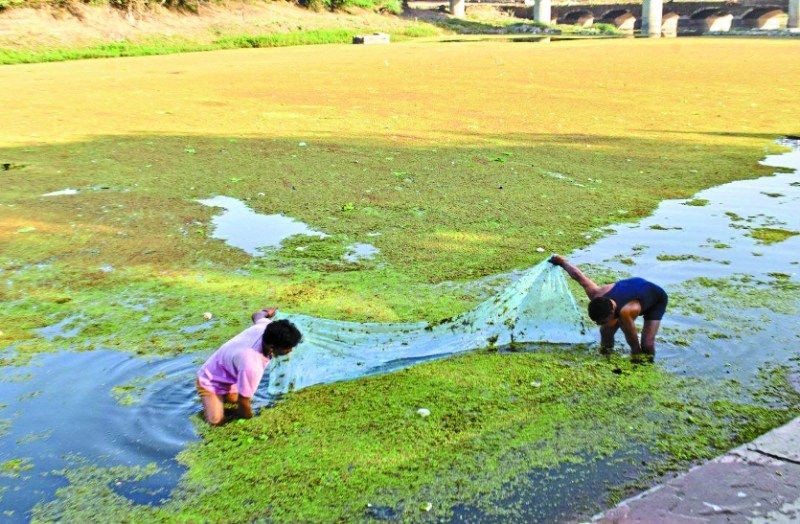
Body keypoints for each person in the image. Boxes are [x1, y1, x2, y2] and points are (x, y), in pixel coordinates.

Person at [196, 307, 303, 425]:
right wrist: (250, 422)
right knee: (216, 421)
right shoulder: (252, 365)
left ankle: (225, 397)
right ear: (272, 347)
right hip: (210, 379)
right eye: (288, 348)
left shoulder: (266, 328)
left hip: (231, 373)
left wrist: (266, 312)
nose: (290, 350)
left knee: (232, 401)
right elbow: (243, 401)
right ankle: (212, 399)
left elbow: (257, 315)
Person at [549, 255, 667, 360]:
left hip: (655, 299)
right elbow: (578, 276)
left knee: (647, 344)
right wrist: (562, 263)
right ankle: (605, 356)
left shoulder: (625, 313)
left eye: (602, 321)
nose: (599, 324)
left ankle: (649, 365)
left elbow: (634, 345)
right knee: (605, 331)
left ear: (612, 312)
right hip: (634, 289)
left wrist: (636, 362)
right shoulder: (596, 294)